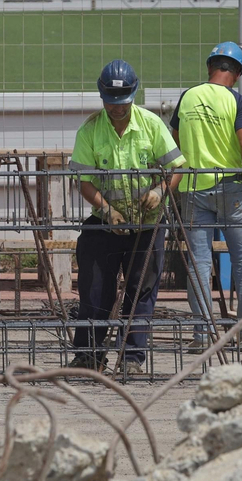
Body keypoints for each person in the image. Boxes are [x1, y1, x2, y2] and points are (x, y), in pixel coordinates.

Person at [68, 60, 186, 374]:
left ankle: (131, 358)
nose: (117, 108)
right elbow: (84, 181)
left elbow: (177, 168)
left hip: (147, 223)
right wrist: (107, 209)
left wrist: (160, 190)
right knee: (95, 289)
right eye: (111, 102)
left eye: (123, 102)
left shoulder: (151, 125)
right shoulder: (91, 130)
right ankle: (88, 355)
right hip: (104, 223)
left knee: (140, 291)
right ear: (102, 96)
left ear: (134, 94)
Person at [170, 41, 242, 351]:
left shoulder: (188, 96)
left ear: (210, 67)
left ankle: (202, 336)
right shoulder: (237, 101)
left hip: (193, 188)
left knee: (198, 265)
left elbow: (176, 140)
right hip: (232, 187)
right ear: (237, 74)